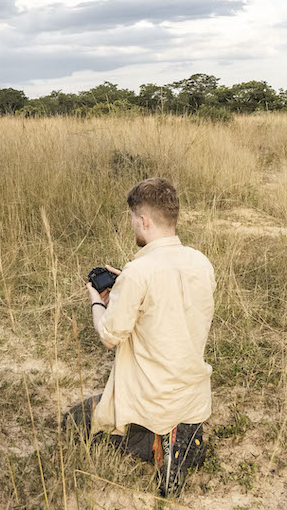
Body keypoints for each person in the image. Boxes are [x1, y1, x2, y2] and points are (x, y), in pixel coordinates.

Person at [62, 177, 216, 497]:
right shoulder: (201, 263)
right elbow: (169, 307)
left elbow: (109, 336)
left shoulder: (138, 272)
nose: (133, 225)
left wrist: (97, 300)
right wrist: (124, 289)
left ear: (143, 220)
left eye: (133, 219)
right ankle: (184, 434)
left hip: (153, 401)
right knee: (167, 411)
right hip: (191, 395)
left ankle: (156, 444)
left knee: (72, 421)